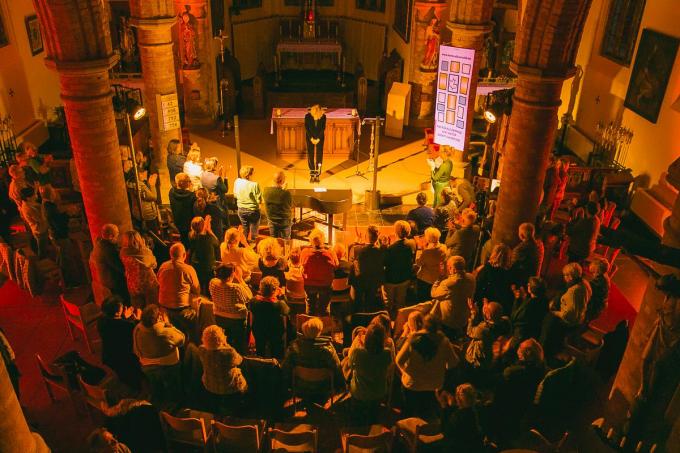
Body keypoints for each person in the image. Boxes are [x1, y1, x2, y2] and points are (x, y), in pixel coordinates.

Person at [396, 315, 459, 418]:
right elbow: (453, 363)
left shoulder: (414, 338)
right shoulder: (444, 341)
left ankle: (407, 429)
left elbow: (399, 360)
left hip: (412, 385)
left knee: (408, 413)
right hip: (433, 387)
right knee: (427, 415)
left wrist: (405, 372)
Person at [494, 339, 546, 441]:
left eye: (520, 348)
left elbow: (498, 379)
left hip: (509, 405)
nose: (517, 350)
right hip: (524, 406)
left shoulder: (514, 373)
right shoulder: (541, 368)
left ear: (527, 354)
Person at [133, 304, 185, 404]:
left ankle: (159, 401)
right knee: (173, 386)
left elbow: (136, 349)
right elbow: (182, 340)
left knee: (156, 385)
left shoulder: (137, 328)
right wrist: (169, 324)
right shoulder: (164, 331)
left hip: (147, 366)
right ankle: (176, 404)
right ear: (159, 318)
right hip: (168, 366)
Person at [282, 317, 342, 402]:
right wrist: (341, 386)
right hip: (323, 387)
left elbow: (286, 368)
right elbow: (337, 368)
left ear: (304, 330)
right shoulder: (328, 349)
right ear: (319, 331)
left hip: (300, 386)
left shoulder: (295, 348)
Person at [541, 262, 591, 358]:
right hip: (580, 316)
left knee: (548, 320)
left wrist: (554, 312)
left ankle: (545, 349)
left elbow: (567, 315)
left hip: (571, 321)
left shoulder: (573, 292)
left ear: (570, 276)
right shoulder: (584, 283)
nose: (564, 277)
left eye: (565, 275)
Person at [347, 322, 393, 422]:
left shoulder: (358, 353)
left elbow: (350, 365)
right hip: (378, 392)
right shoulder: (387, 353)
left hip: (360, 392)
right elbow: (388, 369)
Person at [197, 325, 247, 413]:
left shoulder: (201, 350)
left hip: (210, 385)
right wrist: (226, 344)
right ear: (221, 338)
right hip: (230, 387)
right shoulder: (229, 352)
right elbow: (240, 360)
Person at [97, 296, 142, 389]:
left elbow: (115, 326)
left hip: (108, 355)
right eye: (122, 308)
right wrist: (137, 319)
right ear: (117, 312)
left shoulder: (101, 321)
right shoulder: (126, 325)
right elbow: (137, 333)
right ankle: (135, 389)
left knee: (122, 374)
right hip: (125, 357)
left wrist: (123, 317)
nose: (124, 308)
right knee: (133, 378)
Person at [40, 185, 80, 287]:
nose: (56, 194)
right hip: (60, 236)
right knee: (67, 258)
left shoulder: (47, 205)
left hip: (55, 235)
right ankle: (69, 281)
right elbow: (58, 223)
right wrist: (68, 214)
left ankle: (63, 277)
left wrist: (66, 213)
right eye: (53, 192)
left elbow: (56, 219)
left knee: (62, 256)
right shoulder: (49, 207)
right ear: (50, 194)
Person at [157, 243, 199, 337]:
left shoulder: (163, 266)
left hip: (164, 307)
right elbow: (197, 290)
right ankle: (191, 343)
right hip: (182, 309)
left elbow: (158, 282)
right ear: (184, 255)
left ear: (170, 254)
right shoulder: (188, 269)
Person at [209, 263, 251, 354]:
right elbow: (249, 297)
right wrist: (240, 279)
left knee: (225, 341)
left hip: (219, 316)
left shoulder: (213, 282)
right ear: (232, 275)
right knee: (238, 344)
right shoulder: (236, 288)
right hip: (237, 319)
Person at [431, 256, 476, 340]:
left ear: (452, 268)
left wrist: (440, 277)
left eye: (448, 267)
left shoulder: (448, 284)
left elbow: (433, 293)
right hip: (463, 319)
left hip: (449, 322)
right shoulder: (471, 278)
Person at [250, 276, 290, 359]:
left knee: (260, 349)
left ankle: (260, 362)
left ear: (260, 289)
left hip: (259, 330)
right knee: (276, 350)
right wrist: (282, 296)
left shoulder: (253, 301)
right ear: (275, 290)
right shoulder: (279, 304)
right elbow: (287, 311)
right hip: (275, 331)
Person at [301, 229, 338, 315]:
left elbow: (301, 265)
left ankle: (310, 321)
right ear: (323, 241)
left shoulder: (305, 252)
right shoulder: (330, 253)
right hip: (325, 285)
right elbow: (336, 266)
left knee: (310, 306)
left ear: (311, 241)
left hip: (309, 284)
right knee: (324, 307)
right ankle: (324, 321)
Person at [438, 383, 484, 452]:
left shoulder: (458, 415)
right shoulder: (476, 410)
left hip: (458, 448)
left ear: (458, 399)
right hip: (473, 447)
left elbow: (445, 431)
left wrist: (444, 407)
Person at [119, 230, 158, 309]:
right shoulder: (145, 252)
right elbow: (154, 265)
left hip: (133, 284)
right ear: (139, 239)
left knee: (138, 308)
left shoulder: (123, 252)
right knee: (152, 307)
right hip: (148, 283)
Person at [465, 301, 510, 369]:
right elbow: (492, 320)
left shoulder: (484, 329)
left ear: (488, 316)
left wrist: (473, 313)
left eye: (487, 311)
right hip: (493, 357)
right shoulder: (505, 322)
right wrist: (487, 311)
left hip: (481, 361)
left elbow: (469, 332)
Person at [383, 220, 416, 315]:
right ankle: (399, 319)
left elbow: (385, 263)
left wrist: (384, 247)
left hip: (391, 280)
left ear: (396, 232)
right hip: (405, 278)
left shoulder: (391, 248)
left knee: (389, 302)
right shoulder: (412, 243)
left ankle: (389, 318)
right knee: (401, 303)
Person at [91, 224, 130, 302]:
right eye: (117, 234)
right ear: (111, 236)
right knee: (124, 300)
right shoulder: (108, 249)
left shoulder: (99, 244)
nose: (118, 236)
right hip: (114, 281)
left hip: (106, 279)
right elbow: (119, 266)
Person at [351, 225, 385, 312]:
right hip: (374, 282)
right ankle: (369, 313)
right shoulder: (381, 251)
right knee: (370, 301)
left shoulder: (360, 250)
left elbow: (356, 266)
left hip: (362, 282)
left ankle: (358, 312)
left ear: (367, 236)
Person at [474, 243, 514, 313]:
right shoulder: (510, 273)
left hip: (486, 305)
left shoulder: (486, 270)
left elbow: (478, 288)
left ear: (494, 253)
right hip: (502, 307)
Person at [510, 277, 549, 342]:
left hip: (522, 336)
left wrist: (516, 300)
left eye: (529, 284)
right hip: (535, 335)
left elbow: (514, 317)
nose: (527, 284)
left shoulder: (530, 304)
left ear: (532, 288)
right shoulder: (545, 301)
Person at [189, 216, 219, 295]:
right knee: (209, 287)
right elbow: (217, 242)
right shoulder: (208, 238)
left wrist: (205, 226)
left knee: (200, 286)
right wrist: (209, 230)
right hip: (207, 267)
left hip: (196, 265)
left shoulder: (191, 236)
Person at [415, 227, 447, 302]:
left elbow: (418, 263)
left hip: (425, 280)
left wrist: (420, 249)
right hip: (437, 278)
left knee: (423, 300)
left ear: (428, 239)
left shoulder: (428, 252)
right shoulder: (443, 247)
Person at [233, 165, 262, 242]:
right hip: (253, 211)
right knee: (254, 233)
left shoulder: (237, 181)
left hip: (241, 210)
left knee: (244, 231)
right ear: (249, 174)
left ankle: (243, 247)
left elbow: (235, 195)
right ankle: (253, 249)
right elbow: (259, 200)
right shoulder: (255, 184)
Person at [510, 222, 545, 286]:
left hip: (520, 280)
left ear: (521, 235)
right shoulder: (537, 246)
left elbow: (512, 265)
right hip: (529, 279)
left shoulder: (520, 249)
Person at [169, 173, 196, 249]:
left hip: (177, 222)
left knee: (184, 241)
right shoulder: (192, 196)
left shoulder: (171, 192)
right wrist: (192, 191)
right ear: (181, 183)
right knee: (190, 244)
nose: (190, 182)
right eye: (188, 181)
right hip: (188, 223)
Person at [19, 187, 49, 258]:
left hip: (38, 228)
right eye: (33, 195)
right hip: (39, 230)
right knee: (42, 250)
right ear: (28, 198)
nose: (35, 196)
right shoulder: (28, 208)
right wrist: (42, 207)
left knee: (43, 247)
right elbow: (41, 219)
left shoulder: (28, 204)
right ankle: (43, 264)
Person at [263, 170, 293, 239]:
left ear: (273, 180)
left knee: (273, 240)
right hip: (284, 221)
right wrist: (284, 190)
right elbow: (289, 205)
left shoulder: (266, 190)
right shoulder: (286, 193)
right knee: (286, 241)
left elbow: (276, 195)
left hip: (271, 220)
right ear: (283, 180)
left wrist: (283, 190)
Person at [305, 104, 326, 182]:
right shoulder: (307, 116)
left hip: (319, 138)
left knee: (319, 155)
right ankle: (312, 173)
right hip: (310, 138)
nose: (315, 116)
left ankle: (317, 174)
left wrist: (318, 139)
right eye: (314, 114)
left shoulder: (323, 116)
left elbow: (323, 128)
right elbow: (307, 128)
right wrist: (311, 138)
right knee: (310, 155)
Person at [586, 257, 610, 322]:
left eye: (592, 264)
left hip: (593, 308)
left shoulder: (596, 283)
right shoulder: (604, 276)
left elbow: (588, 295)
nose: (590, 265)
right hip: (600, 305)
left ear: (596, 270)